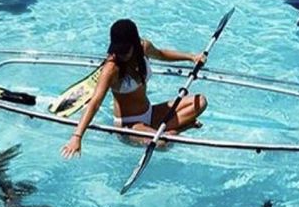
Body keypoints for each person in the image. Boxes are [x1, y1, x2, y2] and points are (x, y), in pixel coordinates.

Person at [61, 19, 208, 159]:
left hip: (150, 114)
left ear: (134, 43)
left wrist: (191, 57)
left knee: (200, 102)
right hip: (129, 126)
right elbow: (95, 102)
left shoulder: (144, 47)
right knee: (162, 143)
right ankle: (179, 128)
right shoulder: (111, 69)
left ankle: (162, 131)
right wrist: (77, 136)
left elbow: (162, 54)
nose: (121, 55)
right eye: (118, 50)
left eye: (125, 50)